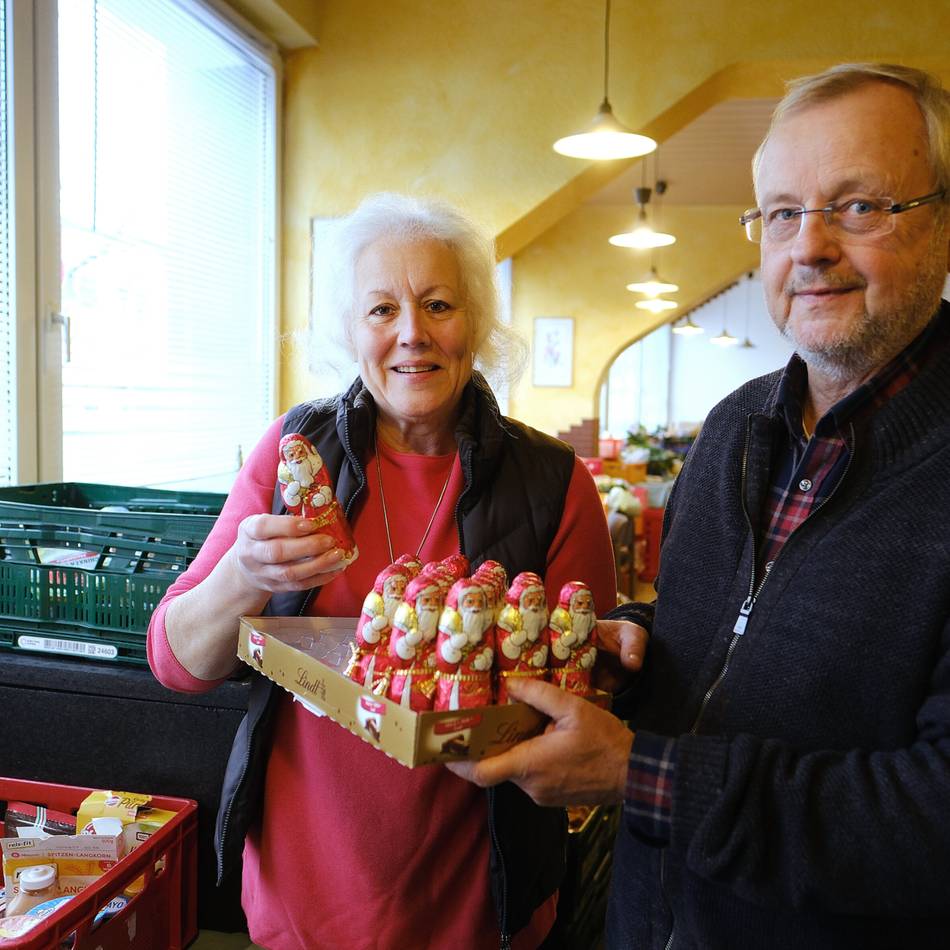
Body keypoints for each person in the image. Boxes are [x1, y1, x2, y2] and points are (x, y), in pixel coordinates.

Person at [449, 63, 950, 948]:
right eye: (784, 212)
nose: (810, 246)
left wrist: (643, 775)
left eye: (860, 206)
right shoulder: (734, 427)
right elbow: (732, 635)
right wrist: (635, 646)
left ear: (943, 220)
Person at [147, 192, 634, 949]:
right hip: (303, 891)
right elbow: (177, 662)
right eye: (381, 310)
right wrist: (246, 571)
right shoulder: (292, 455)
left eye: (439, 304)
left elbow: (582, 699)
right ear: (349, 330)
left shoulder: (552, 481)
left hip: (478, 898)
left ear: (474, 323)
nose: (412, 334)